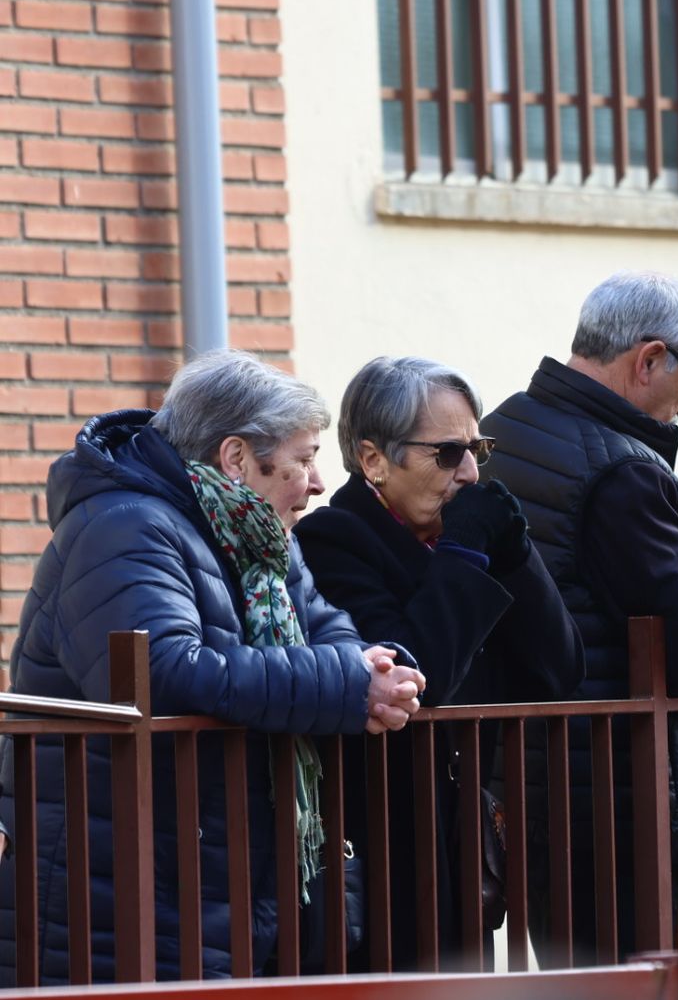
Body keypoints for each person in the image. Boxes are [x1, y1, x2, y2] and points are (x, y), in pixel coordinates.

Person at [0, 350, 426, 983]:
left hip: (213, 881)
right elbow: (167, 672)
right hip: (123, 894)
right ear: (235, 460)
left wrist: (376, 671)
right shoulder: (124, 527)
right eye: (304, 459)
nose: (317, 484)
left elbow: (331, 628)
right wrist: (348, 683)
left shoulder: (257, 534)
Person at [478, 271, 678, 965]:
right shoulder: (628, 469)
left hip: (539, 784)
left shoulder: (501, 430)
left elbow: (599, 596)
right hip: (628, 802)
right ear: (649, 359)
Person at [294, 356, 585, 968]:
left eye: (479, 448)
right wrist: (465, 552)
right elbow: (414, 676)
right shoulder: (333, 540)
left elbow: (559, 671)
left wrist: (514, 550)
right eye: (449, 454)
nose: (473, 473)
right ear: (374, 460)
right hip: (377, 842)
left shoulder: (462, 543)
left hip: (454, 844)